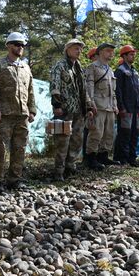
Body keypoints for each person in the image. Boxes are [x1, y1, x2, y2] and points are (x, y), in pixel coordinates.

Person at [0, 32, 36, 195]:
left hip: (22, 115)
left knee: (19, 149)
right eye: (16, 44)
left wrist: (32, 109)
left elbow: (31, 90)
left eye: (22, 45)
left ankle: (15, 180)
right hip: (4, 115)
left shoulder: (25, 67)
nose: (19, 47)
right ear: (8, 45)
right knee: (0, 149)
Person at [50, 38, 93, 181]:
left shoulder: (78, 66)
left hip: (79, 111)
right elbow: (54, 85)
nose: (79, 51)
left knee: (77, 140)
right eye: (76, 48)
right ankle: (58, 171)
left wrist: (88, 107)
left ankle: (70, 167)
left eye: (80, 49)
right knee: (62, 141)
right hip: (65, 110)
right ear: (67, 49)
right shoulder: (60, 65)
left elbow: (84, 88)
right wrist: (56, 105)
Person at [85, 43, 120, 170]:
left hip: (110, 106)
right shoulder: (92, 67)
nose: (111, 53)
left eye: (112, 51)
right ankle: (91, 158)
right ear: (99, 53)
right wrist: (90, 104)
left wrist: (115, 105)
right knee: (96, 133)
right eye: (107, 51)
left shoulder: (110, 70)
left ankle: (103, 156)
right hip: (98, 106)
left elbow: (113, 91)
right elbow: (89, 87)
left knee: (109, 134)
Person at [114, 45, 139, 166]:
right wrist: (122, 107)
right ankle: (122, 158)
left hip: (135, 109)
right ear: (124, 56)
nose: (133, 55)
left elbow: (137, 91)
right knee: (125, 133)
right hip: (126, 108)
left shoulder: (134, 71)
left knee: (134, 133)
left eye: (133, 54)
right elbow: (118, 91)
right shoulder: (120, 71)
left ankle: (132, 158)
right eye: (130, 54)